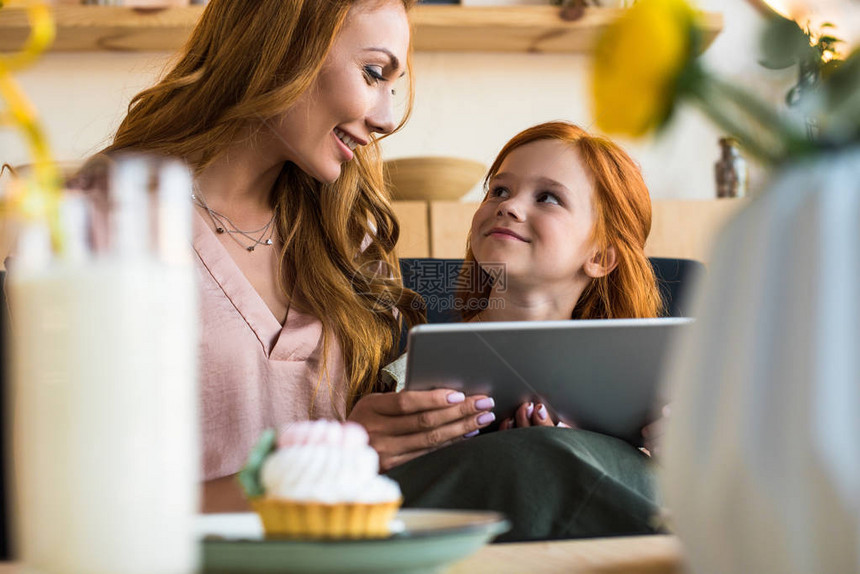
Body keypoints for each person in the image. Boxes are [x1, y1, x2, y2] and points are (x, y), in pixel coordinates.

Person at [101, 0, 498, 512]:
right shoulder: (110, 219)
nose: (387, 118)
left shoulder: (347, 236)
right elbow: (88, 507)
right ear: (286, 44)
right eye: (374, 73)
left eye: (393, 86)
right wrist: (334, 463)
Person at [382, 121, 667, 540]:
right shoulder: (409, 368)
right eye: (499, 190)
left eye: (548, 198)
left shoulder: (646, 378)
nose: (509, 206)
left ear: (601, 256)